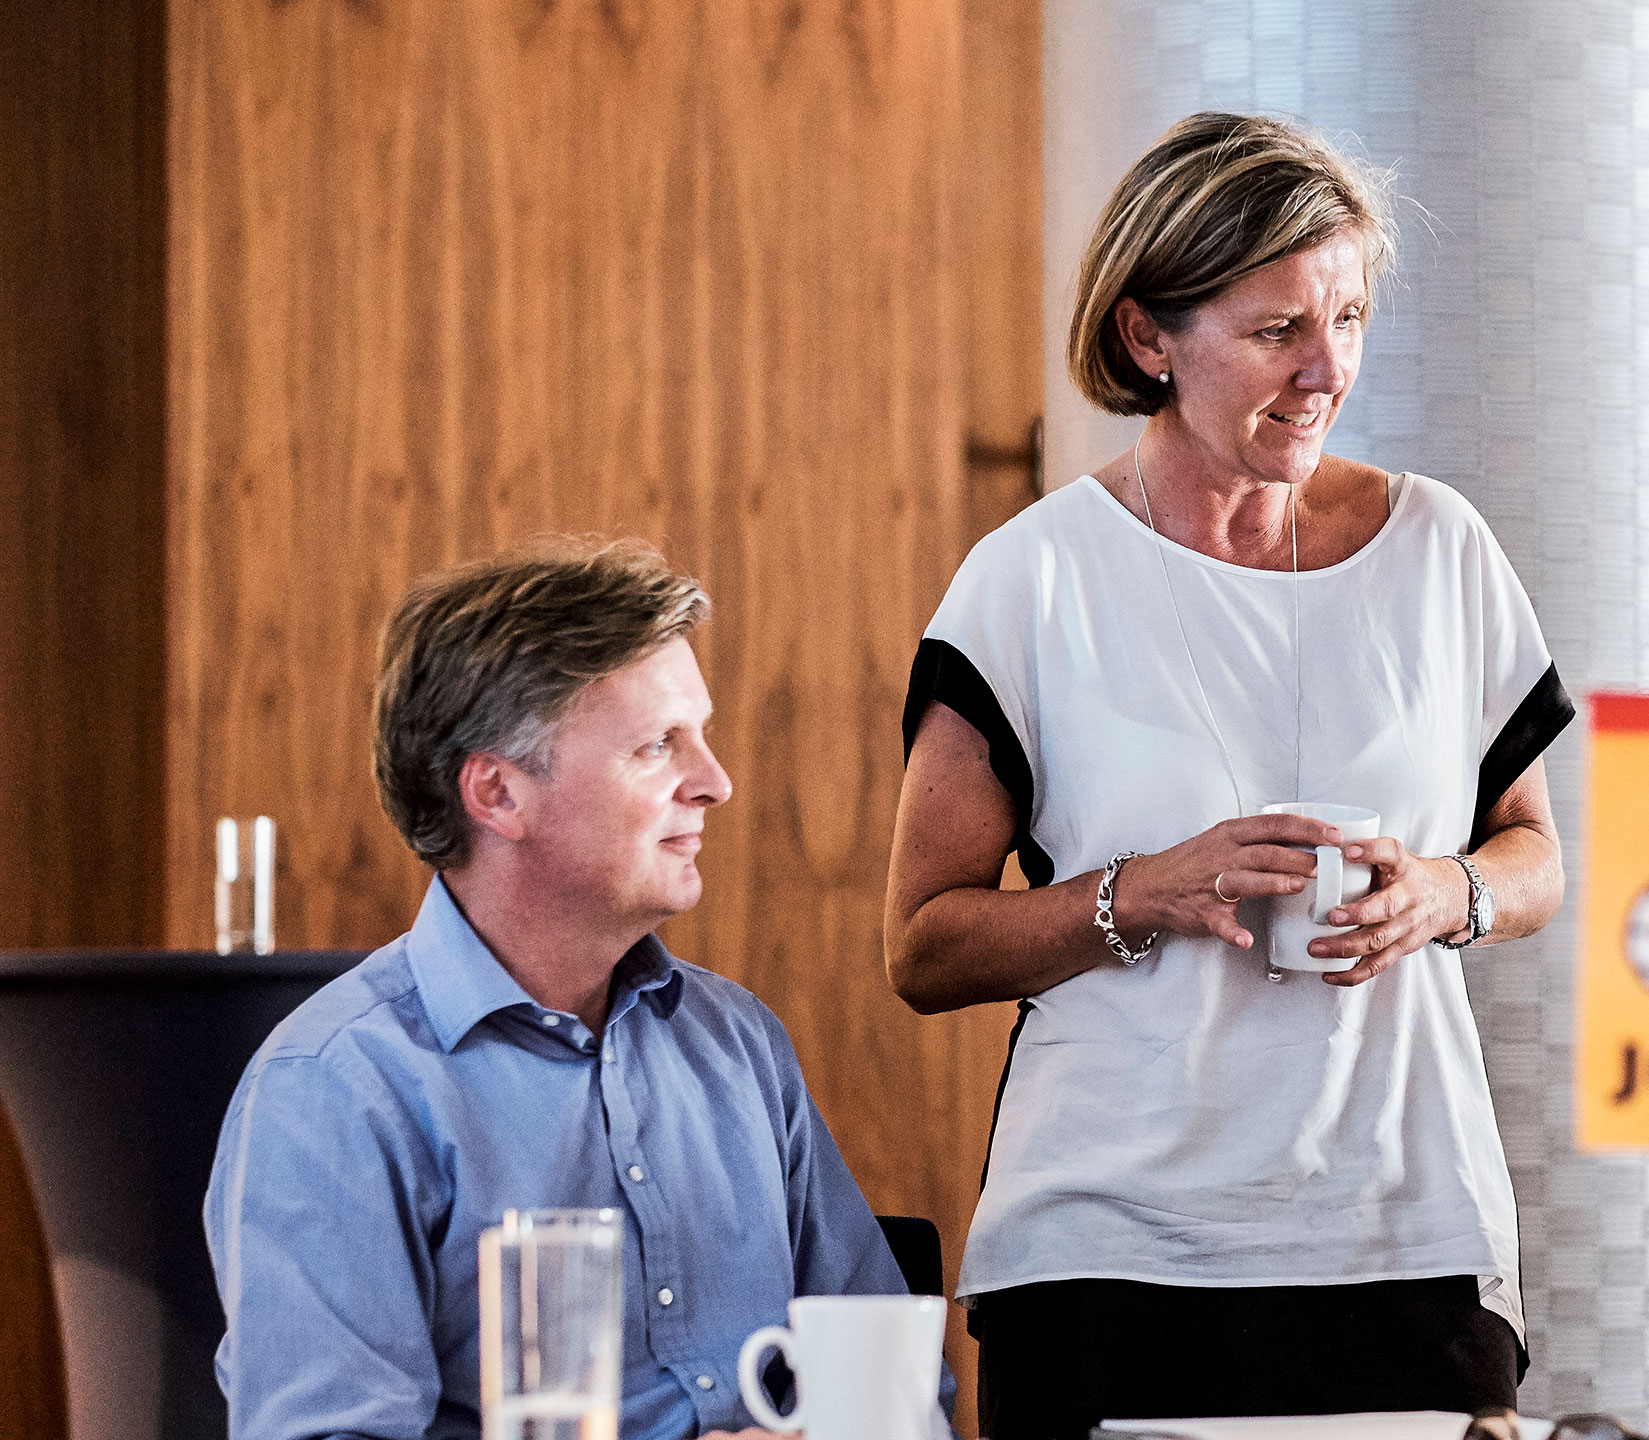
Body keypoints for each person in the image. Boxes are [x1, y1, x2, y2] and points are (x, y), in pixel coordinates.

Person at [886, 113, 1573, 1439]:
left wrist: (1447, 894)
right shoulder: (1031, 580)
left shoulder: (1442, 550)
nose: (1329, 371)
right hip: (1109, 1259)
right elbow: (925, 948)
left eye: (1352, 320)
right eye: (1277, 333)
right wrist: (1140, 892)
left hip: (1406, 1234)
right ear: (1150, 338)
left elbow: (1535, 853)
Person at [205, 539, 939, 1440]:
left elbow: (897, 1385)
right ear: (499, 793)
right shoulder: (335, 1090)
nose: (715, 782)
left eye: (700, 736)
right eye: (656, 746)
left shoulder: (738, 1043)